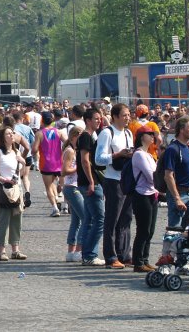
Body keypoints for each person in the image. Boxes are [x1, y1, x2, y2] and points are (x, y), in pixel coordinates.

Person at [95, 103, 134, 269]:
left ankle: (124, 254)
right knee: (112, 220)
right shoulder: (107, 133)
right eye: (124, 115)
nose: (127, 117)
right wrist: (118, 154)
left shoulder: (128, 132)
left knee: (126, 219)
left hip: (127, 180)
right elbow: (98, 159)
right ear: (115, 116)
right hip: (113, 180)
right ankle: (111, 257)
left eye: (128, 114)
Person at [0, 126, 28, 261]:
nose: (11, 136)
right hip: (4, 189)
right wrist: (3, 179)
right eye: (8, 134)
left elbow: (22, 173)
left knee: (17, 220)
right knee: (3, 220)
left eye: (12, 133)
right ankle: (2, 250)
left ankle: (15, 249)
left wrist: (23, 162)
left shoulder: (17, 152)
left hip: (17, 189)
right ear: (2, 137)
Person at [77, 108, 106, 266]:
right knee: (99, 219)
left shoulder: (90, 136)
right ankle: (90, 254)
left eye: (100, 118)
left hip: (87, 181)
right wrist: (92, 181)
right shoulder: (86, 137)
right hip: (89, 182)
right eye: (96, 119)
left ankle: (87, 254)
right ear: (87, 120)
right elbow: (85, 160)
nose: (99, 121)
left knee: (89, 219)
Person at [131, 125, 159, 273]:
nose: (153, 136)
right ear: (142, 137)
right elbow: (151, 175)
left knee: (151, 230)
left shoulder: (148, 154)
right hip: (142, 195)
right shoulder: (139, 154)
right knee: (143, 229)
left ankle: (145, 259)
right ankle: (138, 262)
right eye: (150, 134)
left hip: (152, 194)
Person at [161, 116, 189, 230]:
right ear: (181, 129)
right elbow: (168, 176)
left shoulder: (186, 147)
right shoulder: (173, 149)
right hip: (179, 194)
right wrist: (177, 198)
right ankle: (169, 248)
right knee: (174, 230)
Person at [32, 111, 63, 217]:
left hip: (46, 163)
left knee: (48, 186)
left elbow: (34, 149)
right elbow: (68, 142)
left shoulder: (40, 133)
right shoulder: (58, 132)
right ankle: (59, 196)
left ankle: (55, 208)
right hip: (58, 162)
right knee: (53, 183)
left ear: (42, 121)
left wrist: (34, 152)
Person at [61, 126, 84, 262]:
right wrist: (79, 167)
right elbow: (64, 171)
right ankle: (79, 250)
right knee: (86, 218)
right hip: (72, 187)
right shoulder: (70, 151)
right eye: (80, 135)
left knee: (76, 221)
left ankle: (71, 251)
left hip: (72, 186)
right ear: (73, 136)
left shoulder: (75, 150)